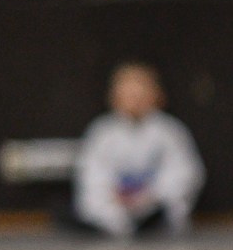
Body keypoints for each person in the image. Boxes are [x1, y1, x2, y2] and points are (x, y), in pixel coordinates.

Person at [66, 63, 205, 239]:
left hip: (155, 210)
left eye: (140, 94)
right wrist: (114, 198)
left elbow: (185, 173)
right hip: (113, 210)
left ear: (156, 96)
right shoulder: (102, 132)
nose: (134, 100)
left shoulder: (170, 131)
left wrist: (150, 197)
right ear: (114, 97)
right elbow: (90, 175)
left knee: (163, 213)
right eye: (128, 94)